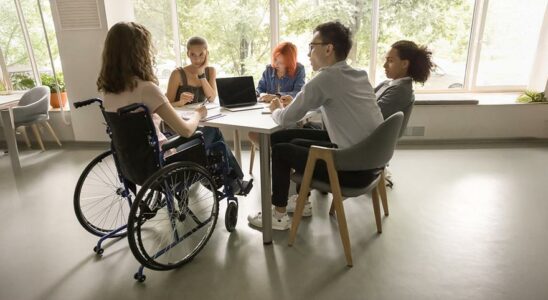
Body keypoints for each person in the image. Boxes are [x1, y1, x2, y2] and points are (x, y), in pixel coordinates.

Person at [247, 21, 384, 230]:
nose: (309, 53)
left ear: (328, 48)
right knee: (283, 138)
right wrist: (297, 105)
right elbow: (327, 106)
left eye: (312, 46)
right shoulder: (357, 75)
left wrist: (275, 107)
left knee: (282, 149)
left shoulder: (325, 79)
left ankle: (279, 215)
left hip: (352, 168)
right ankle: (301, 201)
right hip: (370, 161)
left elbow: (285, 119)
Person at [97, 22, 250, 194]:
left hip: (132, 164)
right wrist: (199, 114)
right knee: (212, 132)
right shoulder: (146, 89)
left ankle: (220, 179)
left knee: (189, 134)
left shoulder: (107, 93)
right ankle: (235, 182)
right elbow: (186, 131)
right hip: (161, 161)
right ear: (139, 53)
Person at [248, 42, 306, 147]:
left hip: (287, 114)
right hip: (267, 114)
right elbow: (260, 88)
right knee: (253, 134)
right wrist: (255, 94)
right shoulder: (269, 69)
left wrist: (277, 96)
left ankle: (276, 155)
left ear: (289, 63)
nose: (276, 64)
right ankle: (274, 155)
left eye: (281, 62)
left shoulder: (299, 70)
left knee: (282, 133)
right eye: (275, 60)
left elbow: (298, 92)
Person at [375, 40, 433, 119]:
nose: (384, 65)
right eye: (386, 60)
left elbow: (371, 116)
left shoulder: (400, 91)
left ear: (404, 64)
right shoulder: (388, 83)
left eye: (390, 61)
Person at [166, 36, 217, 107]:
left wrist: (201, 75)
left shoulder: (211, 71)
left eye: (201, 54)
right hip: (181, 116)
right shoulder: (177, 74)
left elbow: (211, 99)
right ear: (188, 54)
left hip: (202, 115)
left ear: (207, 54)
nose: (197, 59)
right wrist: (180, 102)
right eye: (193, 54)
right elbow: (166, 106)